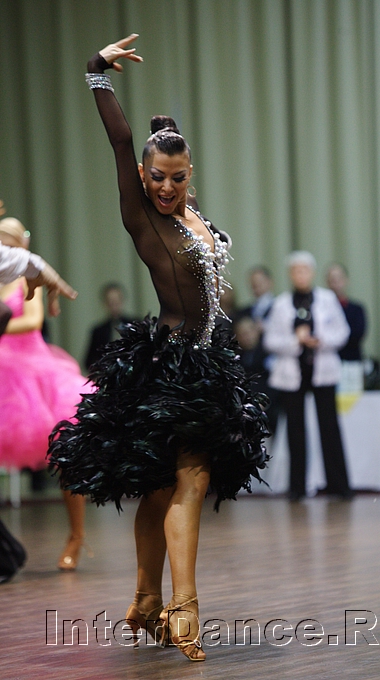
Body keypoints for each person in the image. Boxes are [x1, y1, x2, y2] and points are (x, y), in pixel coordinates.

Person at [48, 35, 269, 662]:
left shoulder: (192, 215)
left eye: (176, 177)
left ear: (190, 175)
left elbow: (160, 149)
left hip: (207, 360)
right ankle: (184, 609)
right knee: (189, 484)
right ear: (142, 178)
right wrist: (97, 72)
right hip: (172, 365)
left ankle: (147, 599)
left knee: (159, 489)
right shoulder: (142, 216)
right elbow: (122, 142)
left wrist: (163, 130)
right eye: (156, 178)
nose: (165, 187)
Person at [0, 217, 94, 571]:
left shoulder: (27, 277)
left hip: (31, 367)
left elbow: (32, 320)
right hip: (3, 366)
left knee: (63, 450)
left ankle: (76, 535)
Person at [264, 251, 353, 501]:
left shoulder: (327, 299)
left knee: (329, 427)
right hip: (292, 373)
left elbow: (342, 332)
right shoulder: (281, 303)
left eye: (304, 270)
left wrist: (319, 340)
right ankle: (298, 487)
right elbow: (270, 340)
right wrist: (296, 341)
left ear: (312, 273)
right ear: (290, 274)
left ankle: (339, 486)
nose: (300, 275)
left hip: (322, 370)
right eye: (295, 270)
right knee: (295, 430)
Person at [84, 282, 136, 370]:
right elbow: (89, 361)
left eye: (116, 301)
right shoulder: (98, 331)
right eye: (110, 302)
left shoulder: (135, 325)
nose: (114, 305)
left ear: (122, 300)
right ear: (105, 303)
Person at [326, 262, 367, 362]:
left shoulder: (357, 309)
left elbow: (357, 336)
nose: (336, 283)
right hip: (328, 360)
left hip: (351, 360)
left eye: (339, 279)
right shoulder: (321, 309)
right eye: (332, 280)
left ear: (346, 280)